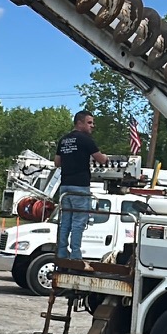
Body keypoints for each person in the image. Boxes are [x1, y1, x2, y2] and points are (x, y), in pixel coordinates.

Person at [54, 110, 109, 260]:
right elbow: (101, 159)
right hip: (80, 186)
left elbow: (57, 162)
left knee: (65, 221)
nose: (93, 126)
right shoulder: (85, 140)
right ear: (79, 123)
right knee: (79, 222)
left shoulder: (63, 140)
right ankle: (76, 256)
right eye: (89, 122)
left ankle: (62, 253)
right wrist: (105, 157)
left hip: (65, 186)